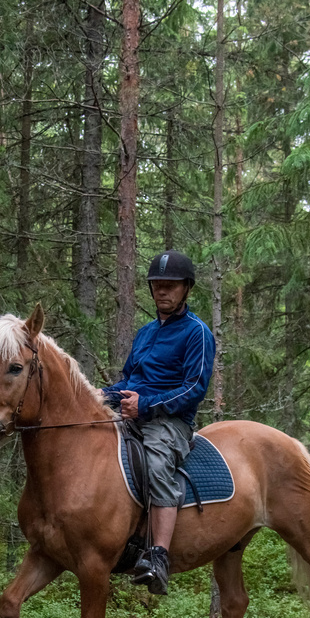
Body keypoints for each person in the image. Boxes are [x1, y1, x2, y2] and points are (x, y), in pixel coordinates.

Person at [101, 251, 215, 595]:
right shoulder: (145, 333)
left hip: (170, 423)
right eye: (157, 285)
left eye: (171, 285)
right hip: (131, 414)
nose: (162, 291)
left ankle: (158, 556)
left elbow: (195, 387)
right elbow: (129, 380)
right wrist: (100, 395)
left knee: (155, 463)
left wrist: (146, 405)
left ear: (186, 288)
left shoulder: (197, 332)